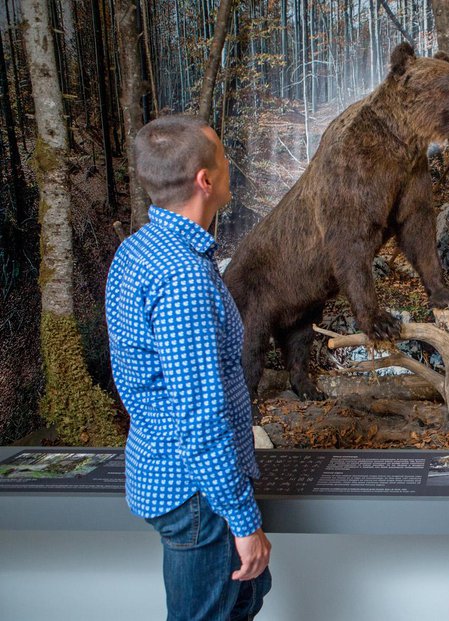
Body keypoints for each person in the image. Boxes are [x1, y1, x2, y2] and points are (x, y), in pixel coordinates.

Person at [106, 115, 271, 620]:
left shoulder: (140, 250)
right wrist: (242, 520)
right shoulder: (181, 277)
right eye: (222, 157)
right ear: (205, 180)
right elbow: (198, 418)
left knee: (243, 600)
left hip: (180, 480)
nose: (228, 166)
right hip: (199, 492)